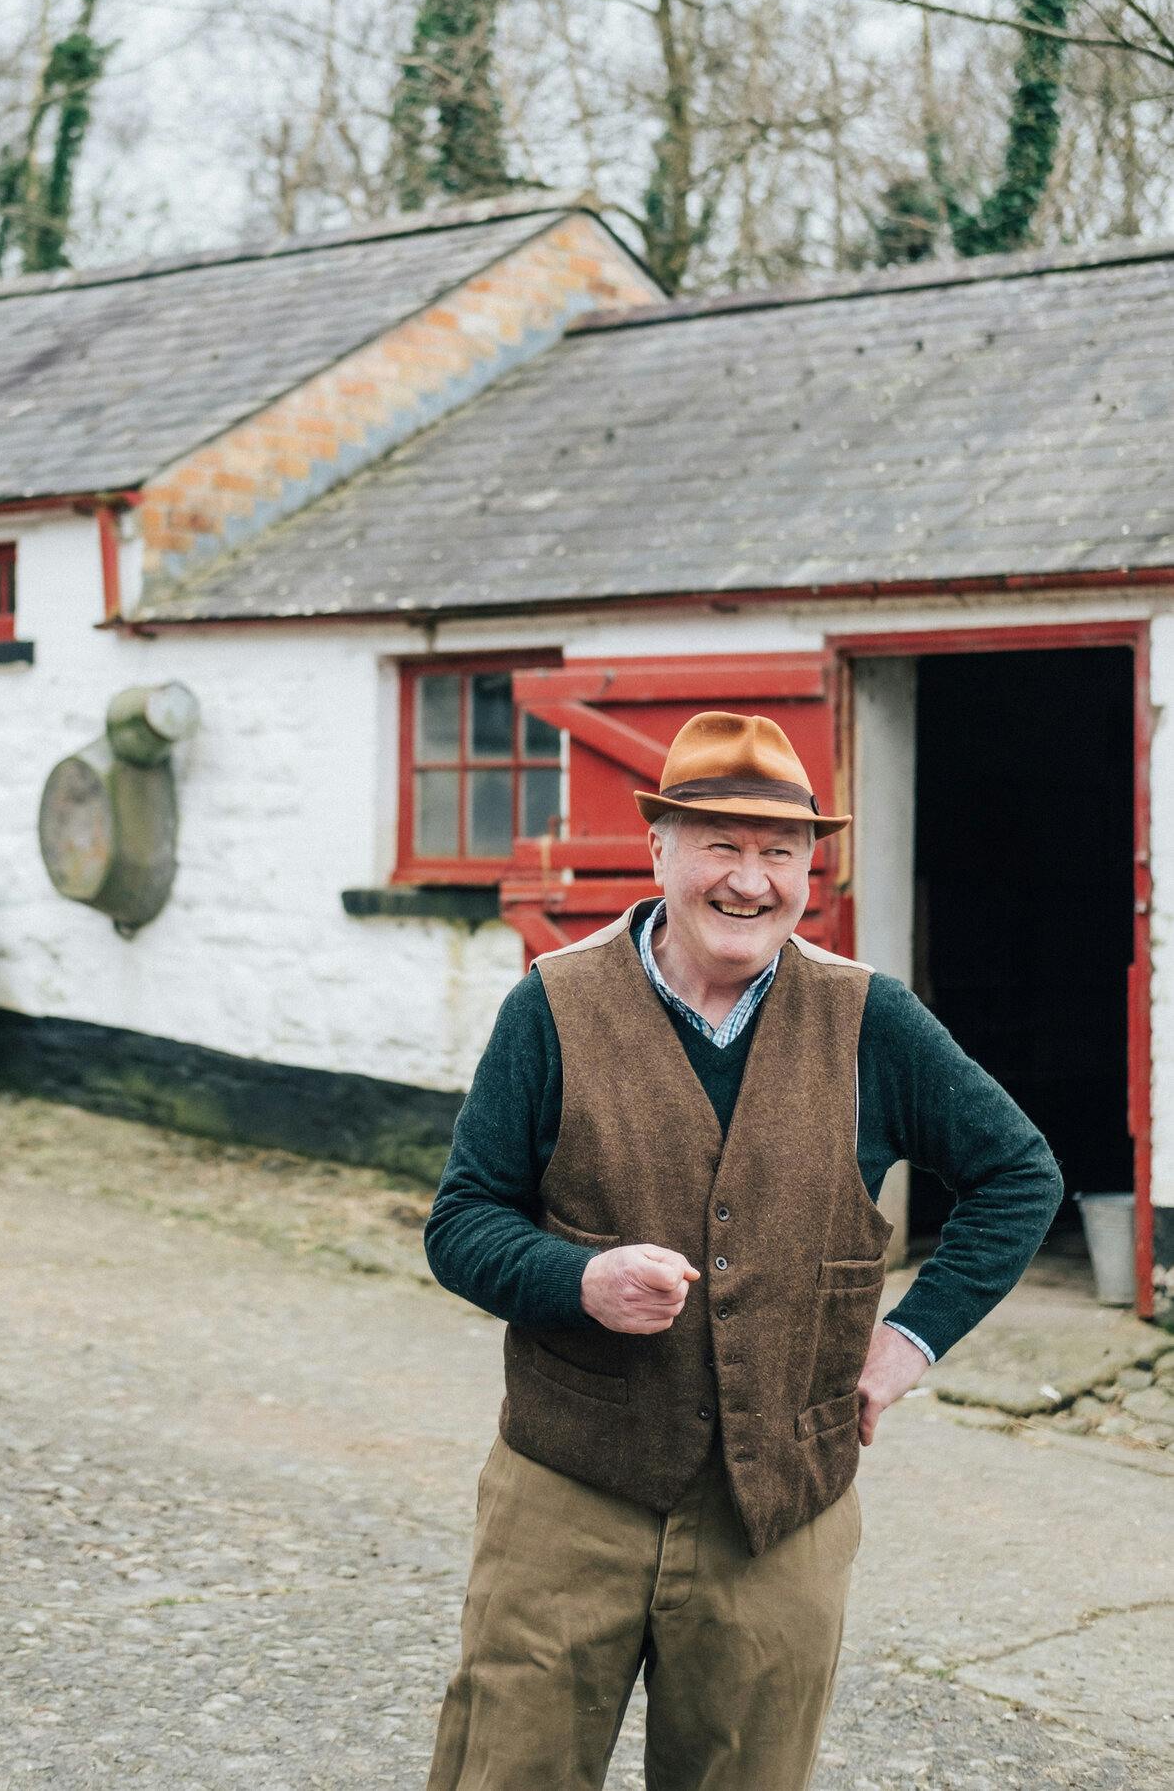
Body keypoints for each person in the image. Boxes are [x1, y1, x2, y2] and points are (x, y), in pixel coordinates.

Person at [423, 709, 1063, 1791]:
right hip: (568, 1487)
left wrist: (909, 1344)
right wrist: (576, 1279)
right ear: (660, 848)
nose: (749, 880)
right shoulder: (554, 1007)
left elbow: (1021, 1176)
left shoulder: (873, 1021)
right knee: (507, 1768)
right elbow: (463, 1221)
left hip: (780, 1510)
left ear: (809, 867)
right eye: (720, 844)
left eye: (779, 851)